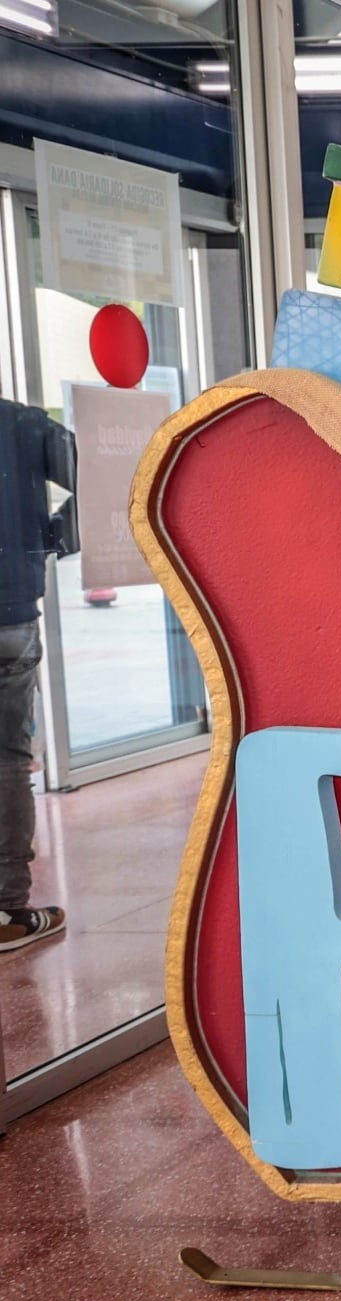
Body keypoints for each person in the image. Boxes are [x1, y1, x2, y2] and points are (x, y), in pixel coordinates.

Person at [0, 401, 64, 953]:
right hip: (9, 609)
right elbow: (100, 474)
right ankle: (6, 912)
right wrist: (54, 536)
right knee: (7, 759)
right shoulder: (22, 424)